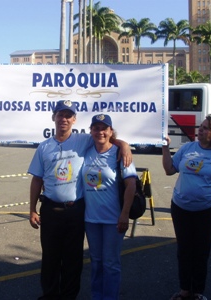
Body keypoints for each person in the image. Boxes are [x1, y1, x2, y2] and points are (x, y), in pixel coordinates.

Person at [28, 100, 132, 300]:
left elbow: (106, 138)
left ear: (74, 119)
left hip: (75, 211)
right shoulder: (44, 147)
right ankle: (50, 295)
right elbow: (36, 180)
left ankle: (68, 296)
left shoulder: (83, 140)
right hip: (50, 209)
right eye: (60, 115)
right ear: (54, 117)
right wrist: (32, 209)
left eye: (68, 116)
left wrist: (124, 145)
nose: (64, 119)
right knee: (50, 257)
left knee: (72, 259)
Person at [162, 115, 211, 300]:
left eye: (206, 128)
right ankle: (185, 290)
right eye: (200, 126)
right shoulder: (187, 148)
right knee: (184, 250)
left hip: (206, 210)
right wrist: (165, 147)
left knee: (201, 251)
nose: (200, 130)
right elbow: (169, 170)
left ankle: (198, 292)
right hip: (180, 207)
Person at [82, 114, 137, 300]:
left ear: (111, 131)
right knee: (96, 262)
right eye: (96, 128)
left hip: (113, 220)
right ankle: (97, 296)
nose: (100, 132)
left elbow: (131, 185)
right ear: (91, 131)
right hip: (91, 219)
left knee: (111, 264)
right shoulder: (87, 150)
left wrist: (125, 214)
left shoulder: (119, 153)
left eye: (104, 128)